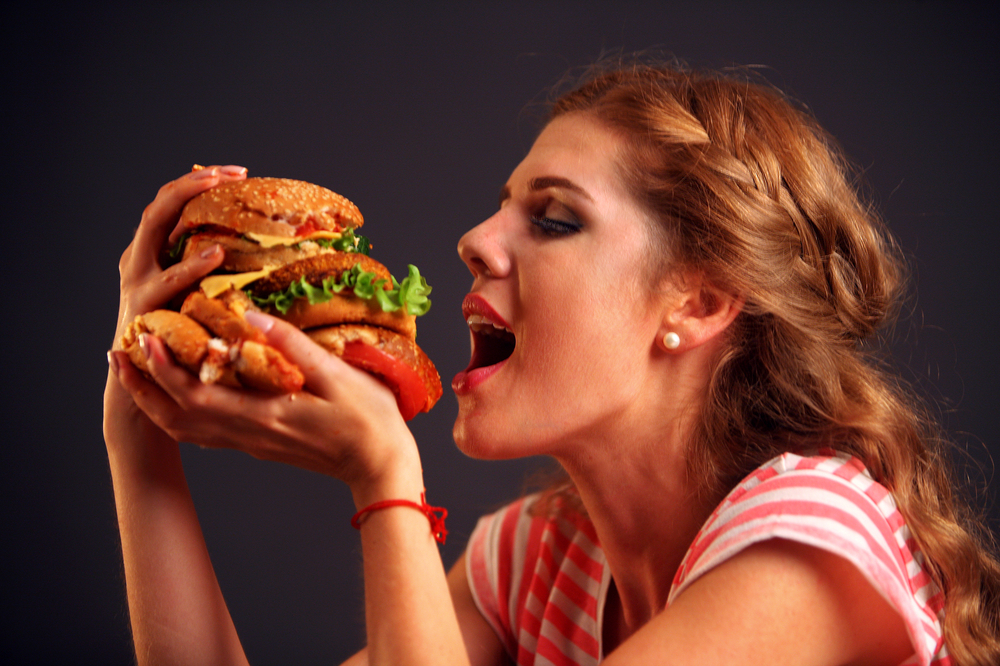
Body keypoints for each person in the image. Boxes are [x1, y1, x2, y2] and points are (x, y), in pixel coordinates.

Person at [104, 62, 1000, 665]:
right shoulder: (538, 560)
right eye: (500, 208)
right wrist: (139, 436)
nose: (473, 242)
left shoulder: (809, 537)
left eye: (555, 219)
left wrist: (384, 475)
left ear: (699, 301)